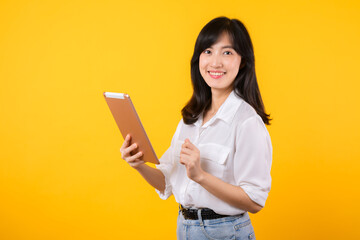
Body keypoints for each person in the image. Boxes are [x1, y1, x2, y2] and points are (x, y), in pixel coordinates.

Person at [120, 16, 272, 240]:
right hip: (185, 228)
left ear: (243, 62)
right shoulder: (190, 119)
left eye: (227, 52)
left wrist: (201, 176)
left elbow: (254, 200)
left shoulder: (247, 122)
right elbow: (167, 181)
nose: (215, 62)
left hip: (225, 232)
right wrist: (139, 164)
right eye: (208, 51)